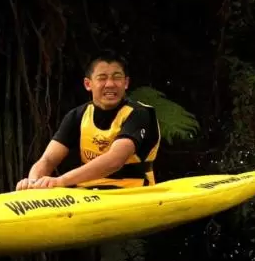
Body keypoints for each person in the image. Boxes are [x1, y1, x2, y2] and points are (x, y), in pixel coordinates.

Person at [16, 52, 161, 191]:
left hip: (131, 190)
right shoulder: (77, 116)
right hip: (87, 193)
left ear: (126, 83)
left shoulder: (139, 114)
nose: (110, 84)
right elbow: (47, 160)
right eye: (102, 78)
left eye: (117, 77)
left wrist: (61, 181)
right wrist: (33, 182)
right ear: (88, 84)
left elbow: (115, 160)